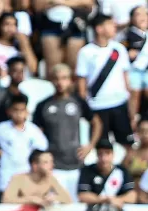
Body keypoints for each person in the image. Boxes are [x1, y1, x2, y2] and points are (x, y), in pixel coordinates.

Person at [33, 63, 103, 199]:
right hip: (53, 166)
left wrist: (90, 146)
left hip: (76, 163)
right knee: (55, 205)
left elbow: (97, 123)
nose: (60, 82)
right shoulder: (43, 105)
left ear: (70, 80)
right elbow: (36, 133)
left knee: (75, 205)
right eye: (56, 78)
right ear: (51, 80)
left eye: (64, 78)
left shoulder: (78, 101)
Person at [76, 14, 135, 148]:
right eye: (110, 24)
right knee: (102, 147)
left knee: (126, 144)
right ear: (99, 28)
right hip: (98, 106)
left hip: (120, 104)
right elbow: (81, 85)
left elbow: (126, 80)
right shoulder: (85, 52)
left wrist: (131, 109)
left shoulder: (119, 49)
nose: (114, 27)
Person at [0, 95, 50, 195]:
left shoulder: (33, 130)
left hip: (26, 172)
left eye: (22, 110)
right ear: (9, 112)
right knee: (6, 200)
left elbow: (42, 146)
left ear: (27, 112)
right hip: (7, 173)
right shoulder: (2, 128)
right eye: (15, 110)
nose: (19, 114)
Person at [2, 150, 72, 206]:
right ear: (35, 166)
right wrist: (31, 200)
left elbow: (68, 199)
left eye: (51, 162)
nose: (52, 165)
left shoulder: (50, 179)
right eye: (46, 162)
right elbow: (6, 200)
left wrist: (55, 198)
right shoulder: (18, 179)